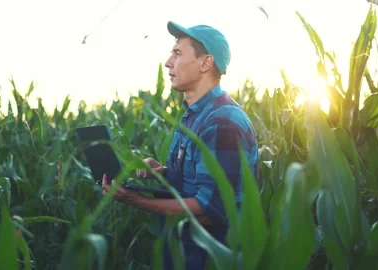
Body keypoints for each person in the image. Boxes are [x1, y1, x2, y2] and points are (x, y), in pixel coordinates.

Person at [101, 20, 259, 270]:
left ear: (205, 63)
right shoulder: (195, 114)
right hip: (183, 252)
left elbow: (211, 209)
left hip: (208, 259)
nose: (168, 63)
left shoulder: (223, 122)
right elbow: (200, 178)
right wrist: (162, 173)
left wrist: (136, 200)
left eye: (177, 53)